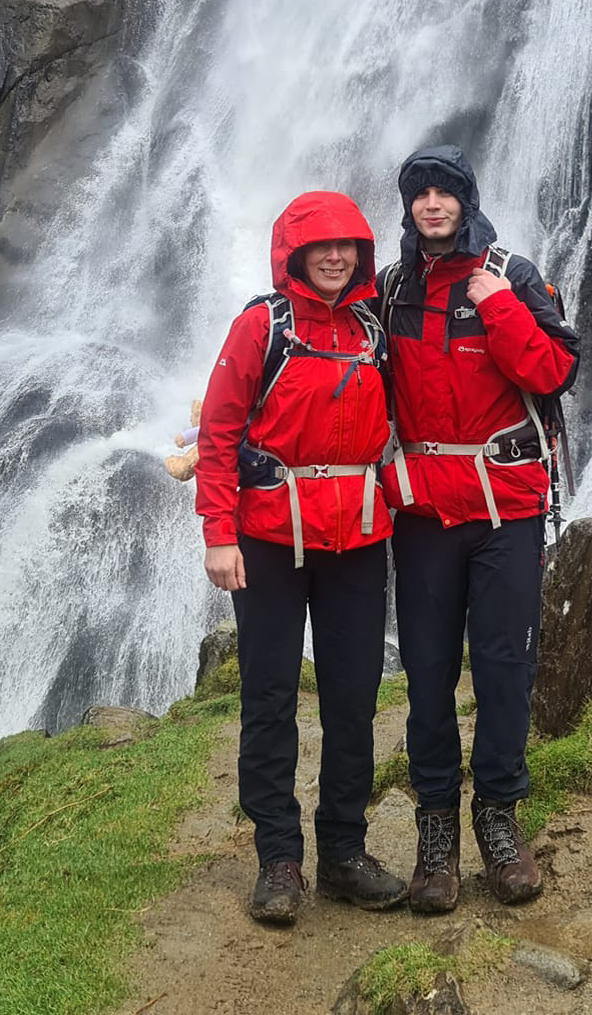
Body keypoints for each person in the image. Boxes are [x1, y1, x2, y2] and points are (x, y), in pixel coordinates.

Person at [195, 191, 407, 925]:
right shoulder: (263, 324)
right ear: (292, 252)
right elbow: (219, 432)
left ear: (362, 254)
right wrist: (217, 533)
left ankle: (344, 851)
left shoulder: (371, 328)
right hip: (268, 539)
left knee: (353, 696)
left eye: (347, 244)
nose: (335, 256)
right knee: (270, 696)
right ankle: (278, 857)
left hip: (355, 536)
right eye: (320, 245)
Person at [377, 146, 579, 912]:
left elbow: (554, 369)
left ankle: (498, 817)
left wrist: (498, 304)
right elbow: (347, 380)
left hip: (506, 510)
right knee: (427, 674)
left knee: (502, 670)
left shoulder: (513, 274)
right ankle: (436, 838)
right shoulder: (392, 288)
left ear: (466, 199)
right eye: (420, 193)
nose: (432, 203)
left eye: (445, 192)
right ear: (408, 206)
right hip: (426, 510)